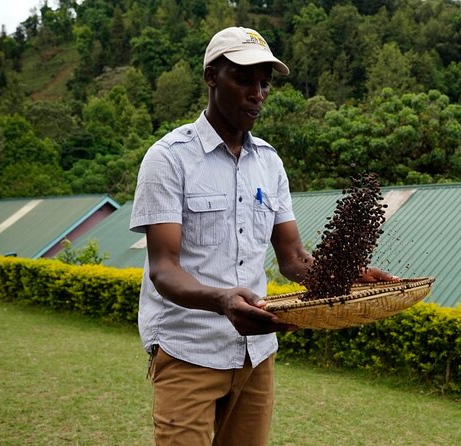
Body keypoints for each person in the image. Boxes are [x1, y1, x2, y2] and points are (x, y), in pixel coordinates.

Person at [129, 26, 397, 446]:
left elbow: (293, 258)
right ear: (211, 77)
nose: (257, 93)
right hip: (189, 350)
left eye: (264, 83)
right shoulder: (169, 159)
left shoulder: (269, 163)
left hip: (256, 354)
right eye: (243, 79)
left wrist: (347, 275)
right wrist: (221, 299)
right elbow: (164, 269)